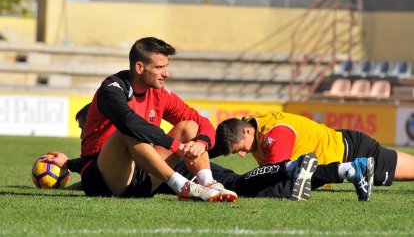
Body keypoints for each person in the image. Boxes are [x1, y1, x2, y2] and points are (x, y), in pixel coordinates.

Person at [46, 37, 239, 202]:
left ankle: (209, 184)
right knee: (128, 130)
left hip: (142, 177)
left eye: (167, 67)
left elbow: (200, 121)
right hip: (102, 180)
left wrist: (202, 142)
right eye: (160, 67)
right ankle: (183, 187)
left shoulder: (161, 94)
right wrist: (177, 147)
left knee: (189, 126)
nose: (167, 73)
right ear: (139, 67)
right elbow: (129, 123)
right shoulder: (111, 89)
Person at [54, 103, 320, 201]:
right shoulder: (112, 152)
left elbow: (99, 170)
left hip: (182, 169)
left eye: (82, 127)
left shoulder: (113, 137)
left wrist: (198, 145)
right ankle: (299, 170)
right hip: (174, 170)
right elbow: (100, 171)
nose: (82, 133)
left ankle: (293, 170)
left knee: (238, 183)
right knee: (239, 183)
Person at [213, 111, 398, 201]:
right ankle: (350, 171)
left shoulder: (275, 135)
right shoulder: (248, 124)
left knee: (276, 188)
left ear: (247, 131)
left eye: (241, 149)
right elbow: (222, 140)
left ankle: (350, 169)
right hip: (341, 145)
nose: (243, 155)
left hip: (350, 151)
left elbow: (274, 177)